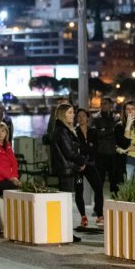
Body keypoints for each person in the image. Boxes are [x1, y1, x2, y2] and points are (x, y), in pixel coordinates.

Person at [50, 103, 85, 242]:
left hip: (69, 169)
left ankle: (66, 231)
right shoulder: (62, 130)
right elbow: (69, 152)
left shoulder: (63, 129)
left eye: (73, 112)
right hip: (66, 170)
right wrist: (81, 161)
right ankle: (65, 232)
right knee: (65, 202)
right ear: (63, 114)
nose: (73, 115)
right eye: (70, 112)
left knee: (66, 201)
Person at [76, 108, 104, 227]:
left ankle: (99, 214)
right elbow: (76, 150)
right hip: (78, 167)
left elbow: (95, 149)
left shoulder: (93, 131)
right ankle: (83, 216)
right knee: (79, 190)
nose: (81, 118)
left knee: (98, 188)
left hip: (90, 165)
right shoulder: (74, 132)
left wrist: (86, 162)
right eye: (79, 116)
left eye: (83, 115)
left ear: (87, 118)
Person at [92, 97, 118, 193]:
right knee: (100, 180)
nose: (102, 105)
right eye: (101, 103)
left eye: (105, 103)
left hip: (113, 153)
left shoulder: (116, 118)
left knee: (114, 181)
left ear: (111, 105)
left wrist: (104, 131)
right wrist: (110, 131)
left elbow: (118, 135)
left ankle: (115, 202)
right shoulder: (96, 118)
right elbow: (95, 134)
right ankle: (99, 203)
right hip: (101, 153)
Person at [115, 100, 135, 182]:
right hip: (127, 162)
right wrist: (127, 126)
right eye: (127, 109)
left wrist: (133, 148)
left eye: (132, 109)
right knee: (128, 189)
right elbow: (123, 145)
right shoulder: (119, 126)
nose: (130, 111)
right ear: (124, 111)